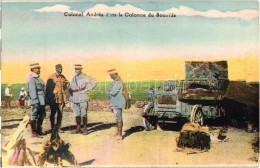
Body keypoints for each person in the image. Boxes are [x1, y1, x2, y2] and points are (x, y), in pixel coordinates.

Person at [69, 64, 96, 134]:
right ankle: (78, 128)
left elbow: (94, 83)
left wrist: (87, 89)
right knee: (77, 114)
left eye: (78, 69)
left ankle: (85, 129)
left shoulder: (85, 77)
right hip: (74, 97)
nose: (76, 70)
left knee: (83, 113)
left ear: (81, 69)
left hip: (82, 96)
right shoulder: (73, 78)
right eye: (75, 69)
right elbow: (71, 87)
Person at [46, 64, 69, 133]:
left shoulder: (62, 77)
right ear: (56, 69)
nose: (60, 70)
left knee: (60, 113)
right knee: (53, 113)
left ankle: (58, 127)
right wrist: (48, 99)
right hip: (54, 98)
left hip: (61, 98)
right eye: (59, 69)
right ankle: (53, 127)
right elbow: (48, 89)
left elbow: (67, 84)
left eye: (61, 69)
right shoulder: (51, 77)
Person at [26, 63, 46, 137]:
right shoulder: (32, 79)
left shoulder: (38, 78)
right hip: (36, 100)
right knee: (34, 115)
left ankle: (38, 130)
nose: (38, 69)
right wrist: (35, 101)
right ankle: (34, 132)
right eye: (37, 68)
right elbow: (32, 91)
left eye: (39, 68)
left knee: (42, 114)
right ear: (32, 70)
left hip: (41, 100)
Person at [107, 69, 127, 140]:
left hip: (117, 103)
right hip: (115, 102)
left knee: (118, 118)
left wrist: (109, 89)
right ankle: (118, 133)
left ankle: (119, 135)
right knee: (117, 118)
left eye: (111, 75)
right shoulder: (116, 82)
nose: (110, 77)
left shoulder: (118, 83)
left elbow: (112, 92)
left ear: (113, 75)